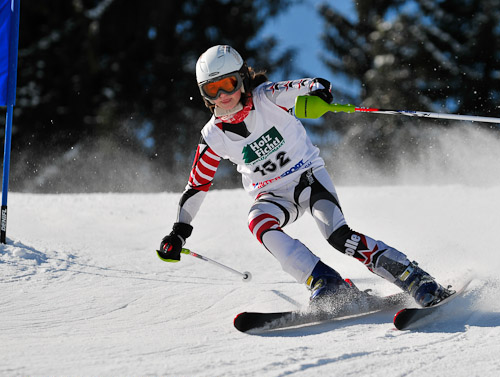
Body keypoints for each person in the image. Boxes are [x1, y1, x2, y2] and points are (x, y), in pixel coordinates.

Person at [158, 44, 452, 307]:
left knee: (338, 235)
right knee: (257, 222)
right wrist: (179, 230)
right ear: (204, 95)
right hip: (272, 196)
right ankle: (326, 282)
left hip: (307, 179)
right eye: (213, 90)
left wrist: (319, 91)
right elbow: (196, 185)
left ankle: (413, 276)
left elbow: (310, 84)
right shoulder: (212, 137)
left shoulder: (267, 98)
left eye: (228, 84)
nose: (223, 96)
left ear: (242, 80)